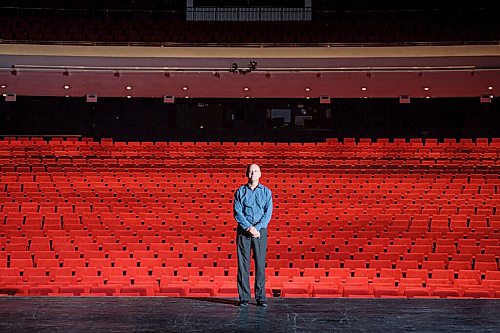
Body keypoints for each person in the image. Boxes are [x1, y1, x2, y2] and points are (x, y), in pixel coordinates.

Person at [233, 163, 273, 307]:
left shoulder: (267, 192)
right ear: (246, 174)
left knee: (260, 265)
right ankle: (244, 297)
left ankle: (260, 297)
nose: (253, 174)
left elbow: (267, 214)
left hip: (260, 231)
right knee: (243, 265)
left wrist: (257, 228)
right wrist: (249, 227)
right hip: (244, 231)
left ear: (260, 174)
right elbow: (237, 213)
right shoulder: (240, 191)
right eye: (250, 171)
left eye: (255, 171)